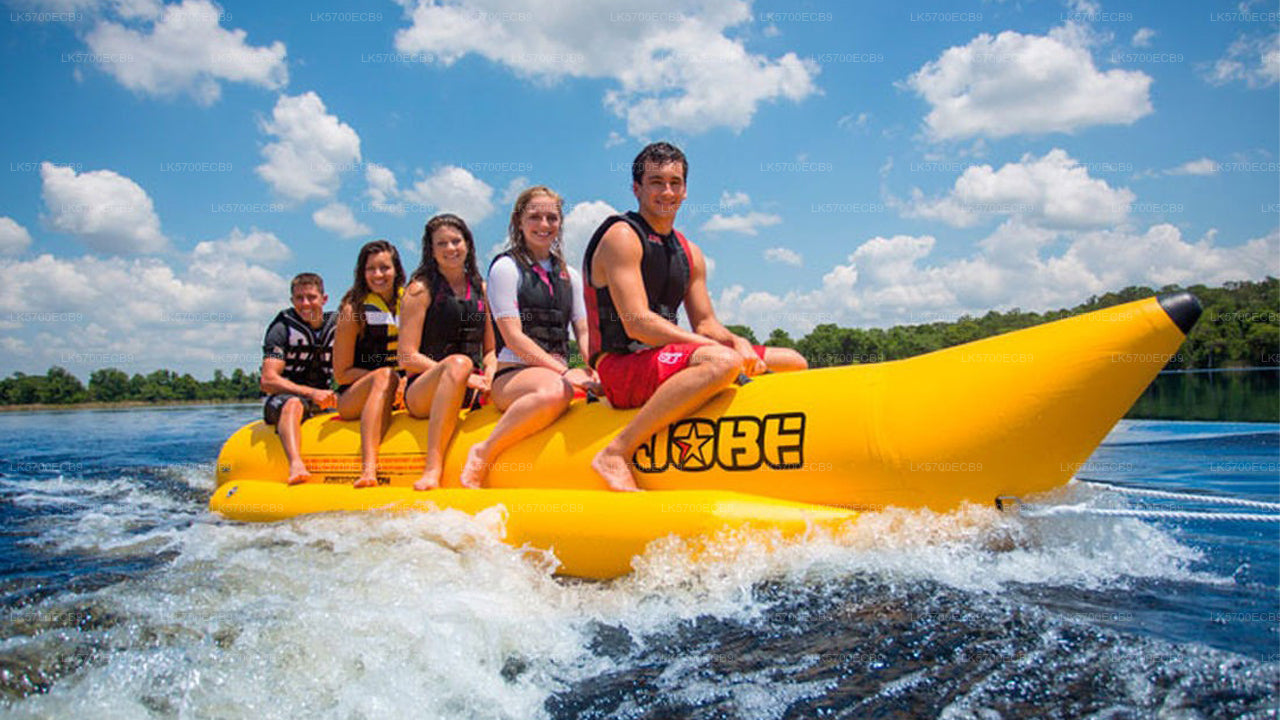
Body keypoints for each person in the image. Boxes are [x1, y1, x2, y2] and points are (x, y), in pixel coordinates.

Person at [582, 141, 808, 490]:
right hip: (621, 367)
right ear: (636, 188)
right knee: (721, 362)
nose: (667, 191)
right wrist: (715, 349)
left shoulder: (690, 252)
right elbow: (637, 323)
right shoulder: (621, 237)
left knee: (793, 361)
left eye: (675, 182)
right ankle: (616, 451)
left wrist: (737, 341)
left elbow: (705, 323)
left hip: (663, 359)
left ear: (685, 190)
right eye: (656, 182)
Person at [459, 185, 600, 488]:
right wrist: (565, 372)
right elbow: (512, 337)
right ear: (519, 222)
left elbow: (584, 331)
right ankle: (484, 451)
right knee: (555, 391)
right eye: (535, 217)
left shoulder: (570, 275)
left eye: (552, 218)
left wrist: (598, 367)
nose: (544, 225)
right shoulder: (505, 268)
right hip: (513, 375)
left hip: (556, 373)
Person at [398, 214, 497, 491]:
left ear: (468, 244)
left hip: (470, 386)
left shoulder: (482, 290)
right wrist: (463, 374)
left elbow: (490, 350)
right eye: (441, 243)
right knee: (459, 363)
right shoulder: (419, 290)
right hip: (423, 390)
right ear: (431, 250)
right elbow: (406, 356)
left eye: (456, 241)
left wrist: (490, 372)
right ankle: (433, 468)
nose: (450, 248)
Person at [333, 239, 406, 488]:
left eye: (384, 268)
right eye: (370, 269)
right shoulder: (353, 310)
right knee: (384, 376)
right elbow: (341, 374)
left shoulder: (410, 302)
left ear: (396, 270)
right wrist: (388, 378)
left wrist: (405, 380)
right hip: (353, 397)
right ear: (361, 273)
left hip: (400, 390)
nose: (378, 275)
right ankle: (368, 469)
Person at [259, 272, 338, 485]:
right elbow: (268, 380)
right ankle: (295, 464)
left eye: (311, 297)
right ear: (292, 300)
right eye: (299, 298)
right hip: (282, 399)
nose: (305, 303)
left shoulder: (338, 327)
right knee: (294, 404)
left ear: (324, 299)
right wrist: (311, 393)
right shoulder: (281, 329)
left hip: (323, 398)